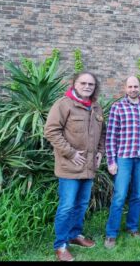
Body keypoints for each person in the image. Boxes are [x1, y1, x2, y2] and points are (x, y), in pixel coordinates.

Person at [44, 72, 106, 262]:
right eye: (83, 83)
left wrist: (100, 152)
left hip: (88, 167)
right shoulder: (64, 104)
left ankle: (75, 235)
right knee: (67, 206)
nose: (87, 86)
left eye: (91, 84)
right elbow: (51, 131)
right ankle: (61, 245)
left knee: (81, 204)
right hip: (69, 166)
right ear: (75, 84)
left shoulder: (96, 107)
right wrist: (70, 153)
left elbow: (101, 133)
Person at [103, 76, 140, 249]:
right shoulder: (117, 107)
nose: (133, 89)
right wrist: (111, 161)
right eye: (130, 86)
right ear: (125, 88)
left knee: (138, 195)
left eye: (136, 86)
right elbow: (110, 136)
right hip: (123, 157)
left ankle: (132, 228)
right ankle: (111, 234)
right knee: (119, 196)